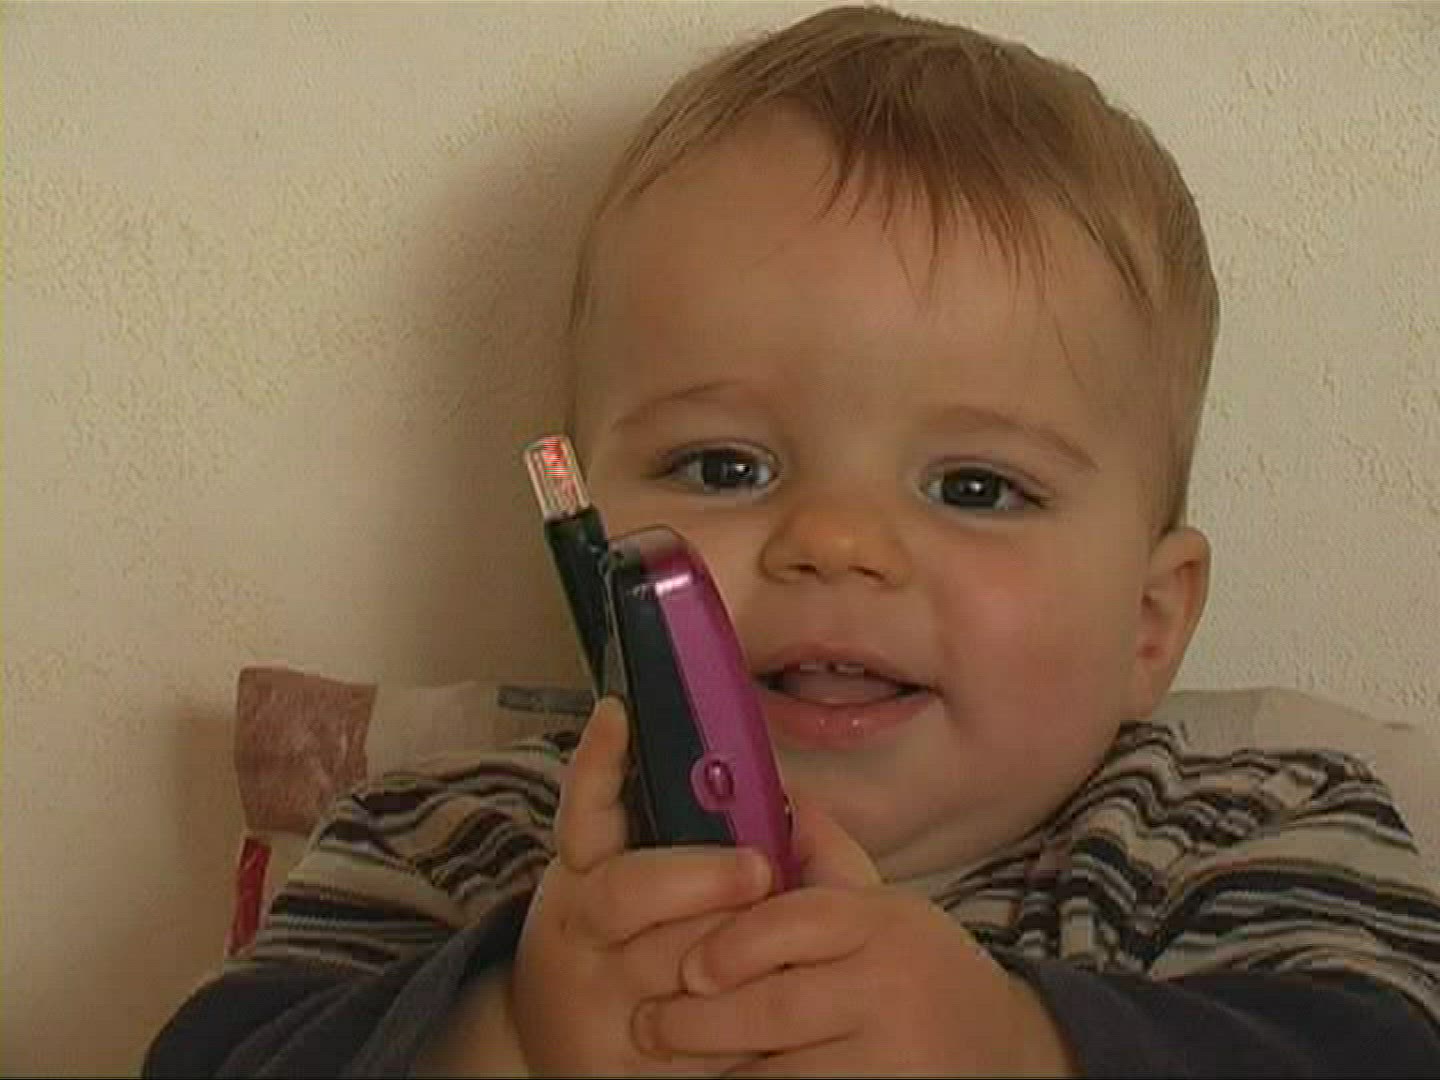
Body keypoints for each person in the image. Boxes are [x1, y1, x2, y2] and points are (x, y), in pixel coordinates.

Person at [144, 6, 1440, 1075]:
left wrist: (1024, 1047)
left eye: (975, 486)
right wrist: (504, 1039)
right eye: (727, 466)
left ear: (1149, 625)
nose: (835, 542)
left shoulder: (1237, 840)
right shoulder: (452, 837)